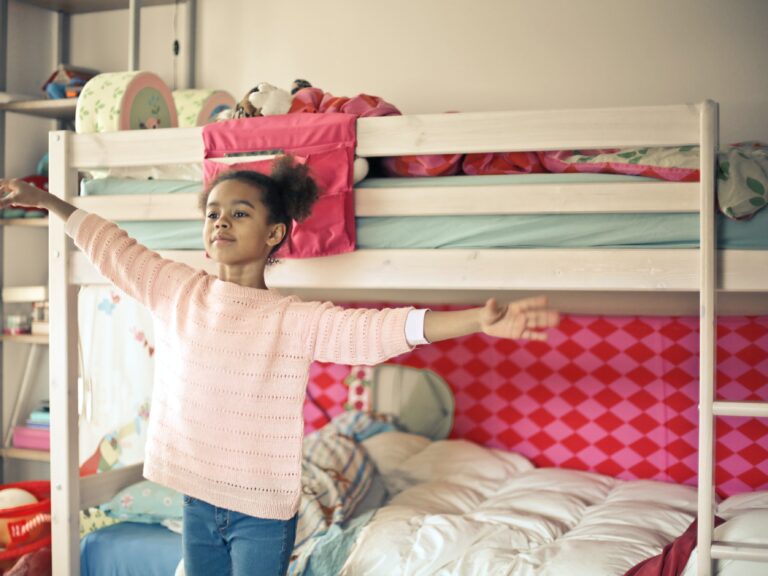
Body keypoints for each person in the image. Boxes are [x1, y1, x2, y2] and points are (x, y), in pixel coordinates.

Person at [0, 158, 559, 576]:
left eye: (239, 213)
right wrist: (47, 202)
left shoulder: (290, 319)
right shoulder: (177, 291)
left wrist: (474, 321)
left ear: (274, 234)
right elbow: (112, 246)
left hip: (262, 513)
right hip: (198, 500)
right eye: (213, 213)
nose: (220, 222)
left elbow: (376, 332)